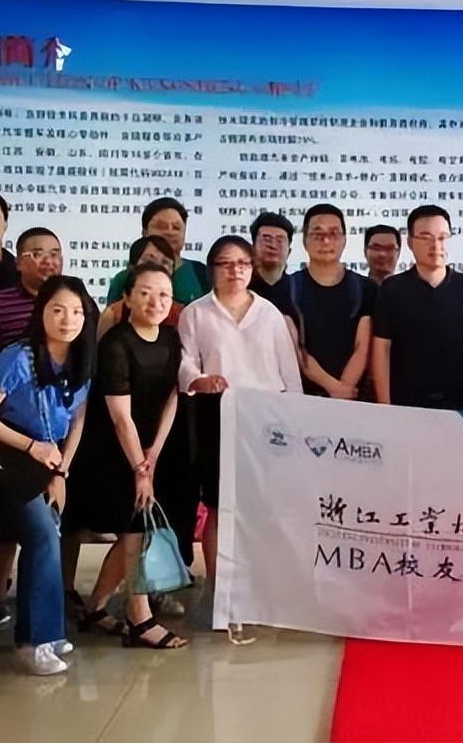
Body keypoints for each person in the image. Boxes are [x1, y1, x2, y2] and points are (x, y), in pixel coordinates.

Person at [178, 235, 301, 638]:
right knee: (218, 505)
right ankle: (221, 591)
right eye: (226, 263)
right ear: (212, 269)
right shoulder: (196, 313)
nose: (235, 271)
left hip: (265, 418)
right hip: (216, 413)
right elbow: (185, 364)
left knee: (263, 506)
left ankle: (259, 588)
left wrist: (295, 419)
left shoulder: (269, 313)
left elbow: (289, 373)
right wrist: (199, 380)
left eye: (243, 263)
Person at [0, 275, 95, 675]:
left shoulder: (81, 358)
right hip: (7, 454)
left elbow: (77, 419)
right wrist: (31, 448)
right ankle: (33, 641)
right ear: (41, 312)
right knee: (42, 533)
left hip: (49, 458)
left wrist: (62, 470)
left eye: (76, 311)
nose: (67, 319)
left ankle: (48, 632)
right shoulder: (18, 357)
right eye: (57, 310)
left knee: (49, 534)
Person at [67, 264, 189, 649]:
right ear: (127, 297)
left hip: (149, 449)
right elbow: (120, 418)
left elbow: (172, 397)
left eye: (164, 294)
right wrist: (140, 468)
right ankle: (140, 618)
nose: (155, 302)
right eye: (145, 293)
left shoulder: (170, 338)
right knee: (134, 530)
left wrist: (155, 451)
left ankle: (95, 607)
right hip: (112, 452)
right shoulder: (116, 344)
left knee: (137, 529)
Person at [372, 205, 463, 411]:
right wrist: (385, 404)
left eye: (442, 237)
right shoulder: (392, 288)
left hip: (457, 401)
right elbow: (381, 348)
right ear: (410, 242)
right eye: (425, 237)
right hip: (405, 401)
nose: (435, 245)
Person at [293, 203, 377, 399]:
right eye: (317, 234)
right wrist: (333, 387)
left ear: (344, 240)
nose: (326, 240)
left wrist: (344, 388)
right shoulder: (288, 288)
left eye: (333, 233)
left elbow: (363, 346)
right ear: (304, 240)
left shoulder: (366, 288)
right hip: (303, 399)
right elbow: (296, 347)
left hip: (354, 398)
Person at [104, 197, 209, 307]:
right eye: (161, 226)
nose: (170, 232)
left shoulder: (201, 273)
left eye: (176, 227)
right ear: (145, 232)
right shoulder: (124, 278)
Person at [0, 227, 63, 349]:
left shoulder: (77, 302)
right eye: (37, 254)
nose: (48, 261)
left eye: (54, 254)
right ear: (18, 263)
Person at [98, 235, 183, 337]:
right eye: (149, 261)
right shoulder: (114, 315)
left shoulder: (181, 314)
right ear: (132, 267)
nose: (156, 267)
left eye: (165, 262)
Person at [248, 211, 301, 336]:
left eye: (279, 240)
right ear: (253, 247)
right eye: (266, 239)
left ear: (289, 251)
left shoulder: (300, 290)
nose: (272, 245)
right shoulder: (240, 289)